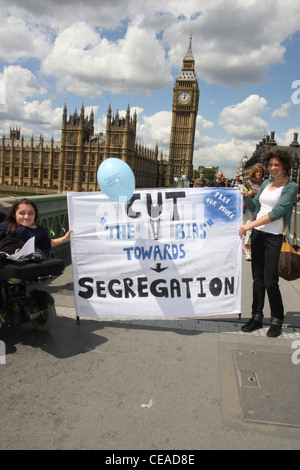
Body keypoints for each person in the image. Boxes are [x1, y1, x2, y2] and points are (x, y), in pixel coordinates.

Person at [239, 150, 298, 337]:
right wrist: (246, 197)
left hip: (274, 238)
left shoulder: (290, 187)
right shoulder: (266, 183)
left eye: (277, 165)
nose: (273, 168)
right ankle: (256, 316)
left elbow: (277, 212)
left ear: (285, 167)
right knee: (257, 278)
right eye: (271, 165)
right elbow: (256, 207)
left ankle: (277, 319)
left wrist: (249, 226)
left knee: (270, 280)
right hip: (258, 236)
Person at [0, 198, 71, 253]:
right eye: (22, 213)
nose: (26, 216)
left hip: (31, 266)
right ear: (14, 214)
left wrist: (64, 239)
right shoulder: (5, 227)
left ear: (35, 214)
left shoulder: (40, 230)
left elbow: (46, 244)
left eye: (30, 213)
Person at [242, 163, 264, 261]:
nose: (259, 173)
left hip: (259, 209)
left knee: (254, 230)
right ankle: (248, 251)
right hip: (248, 209)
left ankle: (247, 246)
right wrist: (248, 193)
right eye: (257, 172)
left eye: (261, 172)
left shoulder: (264, 184)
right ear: (253, 173)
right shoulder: (248, 183)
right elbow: (241, 193)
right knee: (249, 230)